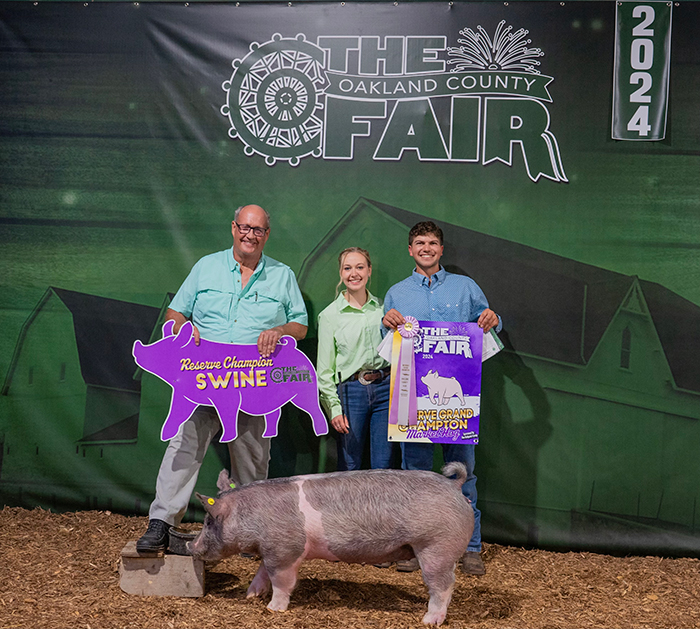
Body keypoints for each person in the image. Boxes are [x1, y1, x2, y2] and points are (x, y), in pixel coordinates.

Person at [136, 204, 308, 553]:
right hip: (203, 379)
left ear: (267, 235)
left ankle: (252, 532)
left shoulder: (282, 274)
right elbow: (175, 313)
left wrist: (278, 330)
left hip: (254, 383)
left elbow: (300, 325)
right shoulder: (206, 267)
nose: (250, 235)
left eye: (257, 230)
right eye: (244, 227)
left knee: (253, 459)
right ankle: (161, 523)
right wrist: (184, 328)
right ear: (233, 228)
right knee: (183, 447)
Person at [382, 221, 501, 576]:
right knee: (414, 477)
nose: (426, 248)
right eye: (420, 242)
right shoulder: (397, 293)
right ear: (410, 250)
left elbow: (488, 325)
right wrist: (385, 323)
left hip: (458, 404)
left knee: (463, 475)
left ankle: (471, 547)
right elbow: (384, 344)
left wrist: (492, 318)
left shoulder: (466, 288)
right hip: (413, 400)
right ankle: (414, 548)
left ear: (441, 249)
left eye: (432, 242)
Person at [316, 247, 394, 471]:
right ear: (341, 273)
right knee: (350, 464)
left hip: (385, 390)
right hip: (351, 393)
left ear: (369, 271)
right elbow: (324, 371)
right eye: (347, 268)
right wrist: (334, 408)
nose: (354, 273)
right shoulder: (330, 315)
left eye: (360, 267)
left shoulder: (384, 309)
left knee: (384, 464)